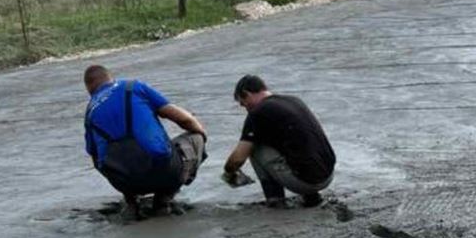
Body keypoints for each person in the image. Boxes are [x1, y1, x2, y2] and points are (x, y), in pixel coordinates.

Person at [83, 65, 208, 216]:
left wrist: (123, 181)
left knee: (108, 159)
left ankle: (131, 202)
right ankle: (164, 199)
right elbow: (184, 120)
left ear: (89, 89)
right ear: (110, 78)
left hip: (125, 181)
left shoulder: (90, 111)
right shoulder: (133, 87)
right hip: (164, 170)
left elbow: (96, 160)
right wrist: (201, 133)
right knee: (196, 137)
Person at [223, 75, 336, 208]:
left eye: (243, 103)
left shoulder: (258, 113)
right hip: (328, 173)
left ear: (247, 94)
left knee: (254, 148)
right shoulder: (293, 100)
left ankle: (275, 201)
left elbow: (237, 159)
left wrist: (229, 172)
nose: (245, 108)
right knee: (296, 144)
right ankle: (312, 197)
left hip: (307, 182)